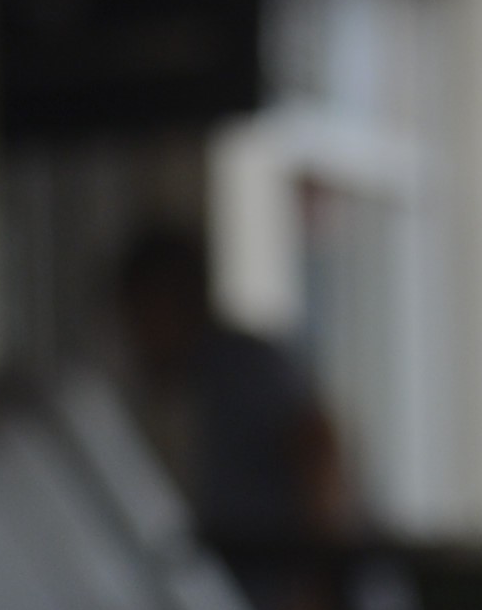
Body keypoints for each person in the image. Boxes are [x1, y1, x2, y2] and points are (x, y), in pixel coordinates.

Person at [111, 221, 356, 549]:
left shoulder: (239, 368)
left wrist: (315, 572)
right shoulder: (204, 379)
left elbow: (317, 443)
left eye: (137, 317)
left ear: (166, 304)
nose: (134, 341)